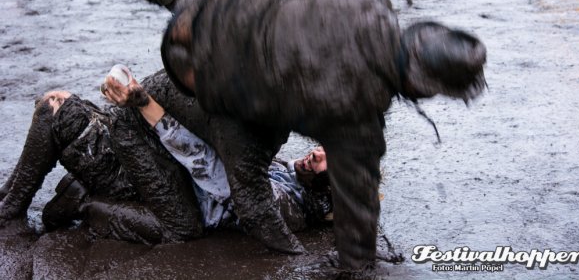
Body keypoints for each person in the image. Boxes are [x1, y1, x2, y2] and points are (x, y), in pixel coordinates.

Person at [100, 0, 487, 271]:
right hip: (206, 84)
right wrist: (357, 263)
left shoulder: (366, 1)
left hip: (205, 13)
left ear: (417, 32)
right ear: (423, 87)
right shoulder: (359, 127)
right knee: (251, 177)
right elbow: (358, 210)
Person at [0, 68, 333, 243]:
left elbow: (210, 169)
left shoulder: (286, 208)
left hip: (165, 189)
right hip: (161, 169)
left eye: (326, 160)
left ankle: (15, 210)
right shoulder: (293, 177)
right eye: (325, 148)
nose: (317, 152)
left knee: (55, 108)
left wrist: (150, 109)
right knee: (61, 104)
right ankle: (12, 198)